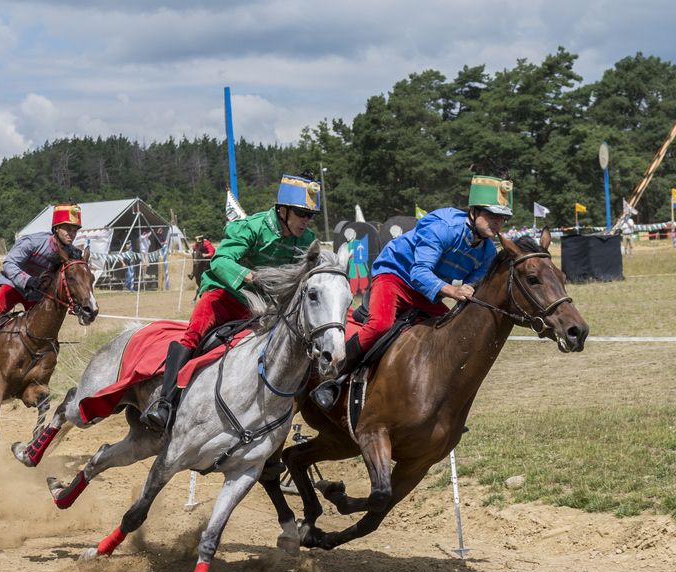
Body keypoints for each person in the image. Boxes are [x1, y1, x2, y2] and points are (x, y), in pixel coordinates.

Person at [310, 175, 512, 410]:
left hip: (426, 294)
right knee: (381, 324)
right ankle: (333, 382)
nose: (497, 223)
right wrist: (453, 290)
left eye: (502, 218)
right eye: (492, 215)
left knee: (452, 333)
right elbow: (419, 273)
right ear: (474, 211)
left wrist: (472, 291)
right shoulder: (443, 227)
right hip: (395, 276)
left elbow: (474, 289)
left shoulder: (487, 250)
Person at [139, 173, 321, 431]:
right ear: (283, 210)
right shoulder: (252, 227)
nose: (306, 221)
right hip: (225, 297)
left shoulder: (306, 239)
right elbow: (220, 261)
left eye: (310, 215)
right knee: (192, 335)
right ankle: (164, 404)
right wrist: (251, 276)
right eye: (301, 213)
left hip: (264, 308)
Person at [0, 204, 83, 370]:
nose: (72, 234)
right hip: (13, 285)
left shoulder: (71, 252)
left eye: (75, 230)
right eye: (67, 229)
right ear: (56, 228)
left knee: (44, 321)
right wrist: (27, 280)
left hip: (35, 293)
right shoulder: (33, 242)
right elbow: (9, 264)